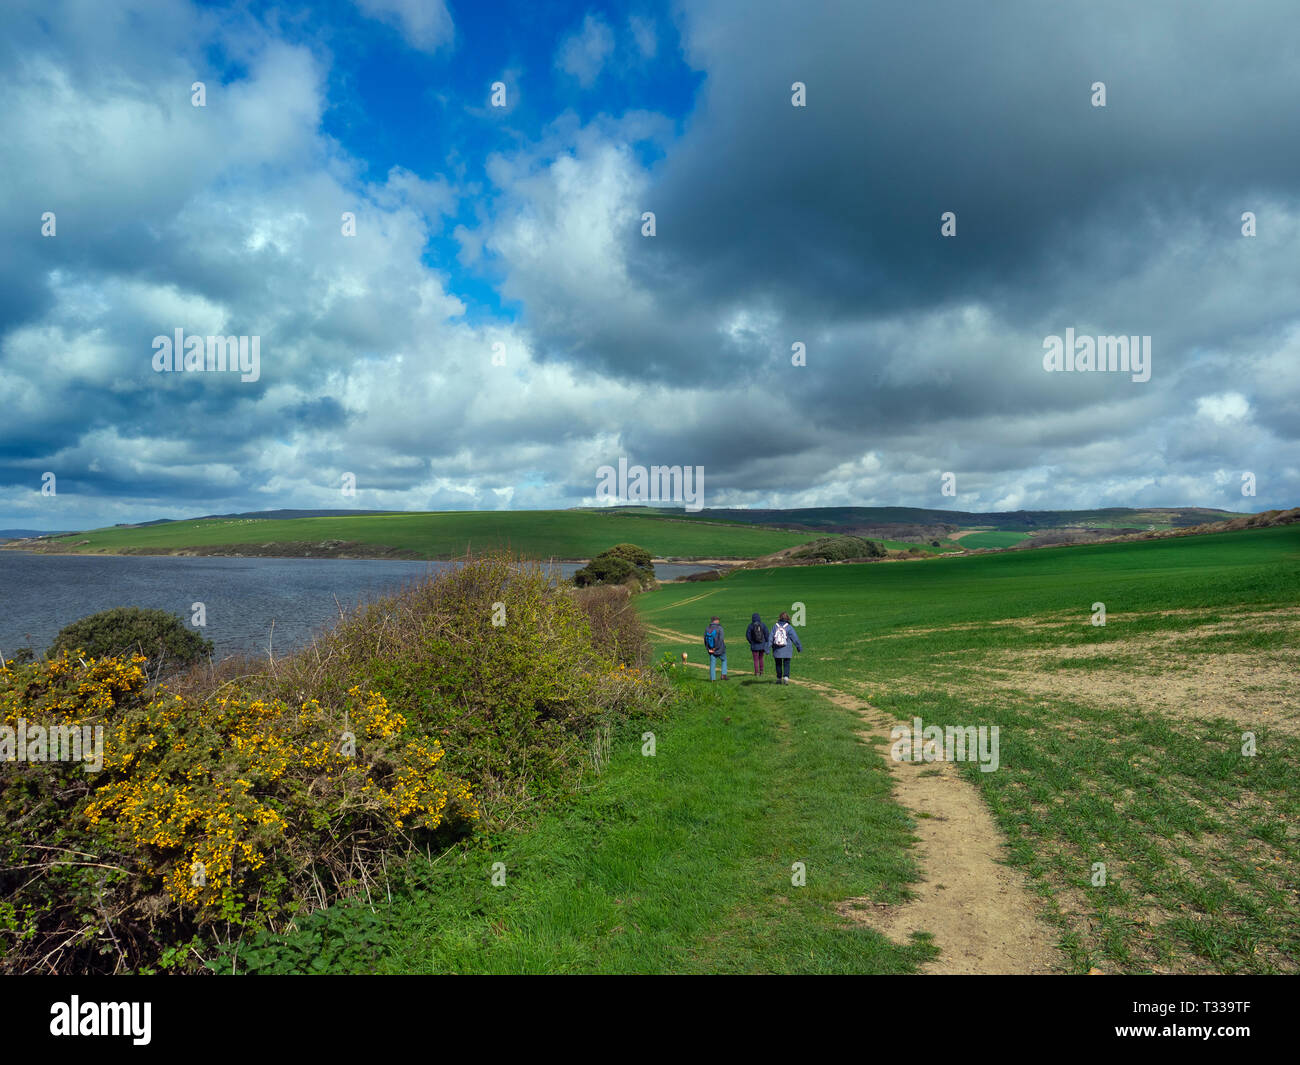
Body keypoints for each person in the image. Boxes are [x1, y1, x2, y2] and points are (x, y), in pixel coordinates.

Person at [769, 611, 802, 684]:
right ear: (787, 618)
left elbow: (770, 638)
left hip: (777, 649)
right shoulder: (789, 627)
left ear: (779, 618)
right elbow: (795, 638)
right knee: (787, 663)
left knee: (778, 664)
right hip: (787, 649)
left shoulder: (775, 626)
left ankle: (778, 678)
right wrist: (799, 647)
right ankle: (786, 678)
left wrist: (767, 648)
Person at [703, 615, 727, 681]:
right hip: (720, 649)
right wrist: (716, 648)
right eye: (718, 620)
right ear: (716, 621)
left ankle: (712, 679)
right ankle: (723, 675)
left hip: (711, 649)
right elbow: (721, 639)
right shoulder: (720, 628)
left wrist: (708, 649)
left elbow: (705, 640)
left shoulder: (707, 628)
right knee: (724, 660)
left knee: (712, 664)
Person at [745, 612, 769, 677]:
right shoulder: (763, 625)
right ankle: (761, 671)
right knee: (761, 658)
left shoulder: (750, 626)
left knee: (755, 659)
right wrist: (766, 641)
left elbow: (747, 635)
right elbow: (767, 634)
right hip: (762, 645)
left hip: (754, 645)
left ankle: (756, 672)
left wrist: (751, 641)